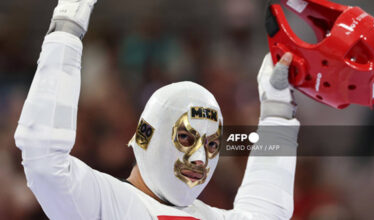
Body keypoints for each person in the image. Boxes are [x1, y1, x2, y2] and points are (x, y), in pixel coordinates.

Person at [14, 0, 300, 219]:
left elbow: (266, 213)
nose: (200, 158)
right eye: (186, 138)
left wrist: (278, 111)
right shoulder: (107, 203)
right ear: (144, 136)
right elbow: (43, 159)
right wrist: (66, 29)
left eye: (212, 145)